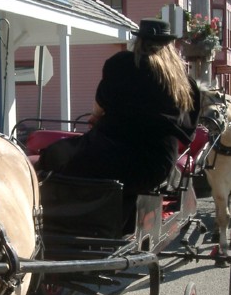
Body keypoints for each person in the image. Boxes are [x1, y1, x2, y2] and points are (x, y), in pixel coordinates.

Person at [36, 18, 201, 218]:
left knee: (56, 154)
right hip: (154, 166)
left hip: (105, 154)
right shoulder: (184, 83)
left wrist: (100, 118)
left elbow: (98, 108)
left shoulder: (120, 64)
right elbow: (187, 131)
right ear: (169, 47)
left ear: (138, 41)